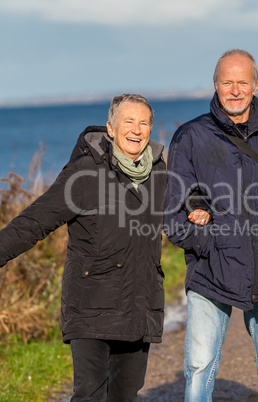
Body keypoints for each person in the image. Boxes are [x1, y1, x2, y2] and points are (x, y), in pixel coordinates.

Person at [164, 49, 258, 401]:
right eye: (227, 82)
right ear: (215, 85)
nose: (235, 90)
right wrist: (206, 243)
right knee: (199, 365)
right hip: (211, 269)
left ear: (256, 85)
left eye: (242, 82)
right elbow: (173, 211)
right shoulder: (190, 137)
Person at [0, 94, 167, 401]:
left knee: (126, 396)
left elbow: (186, 210)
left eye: (144, 123)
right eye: (128, 121)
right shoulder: (84, 173)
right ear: (111, 128)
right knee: (89, 395)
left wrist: (200, 207)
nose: (136, 129)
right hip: (91, 306)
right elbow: (36, 221)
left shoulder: (159, 174)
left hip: (139, 307)